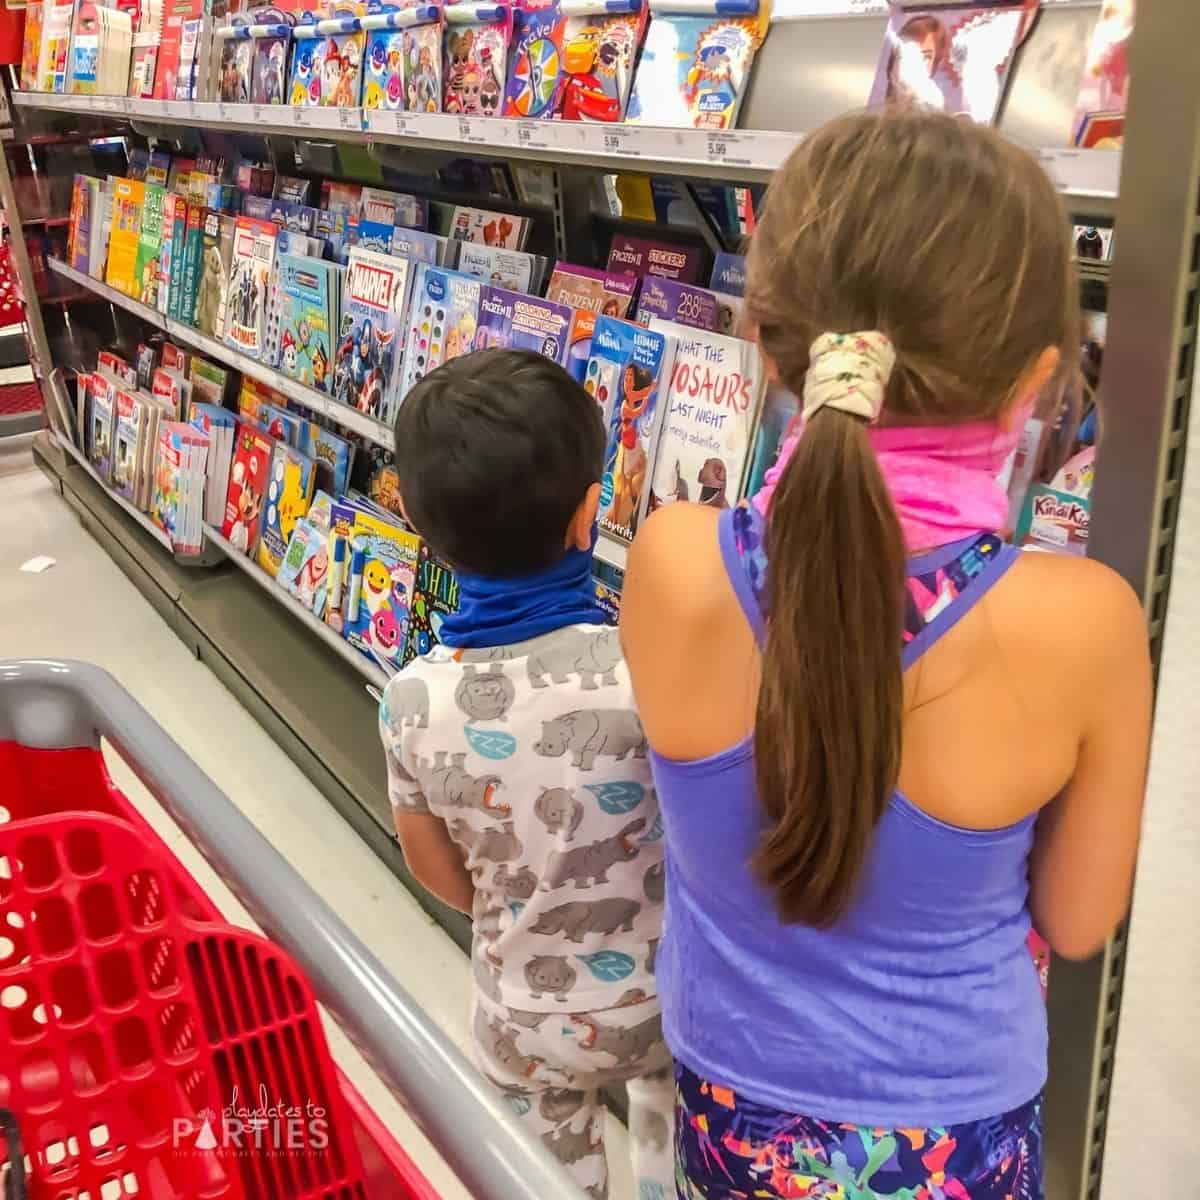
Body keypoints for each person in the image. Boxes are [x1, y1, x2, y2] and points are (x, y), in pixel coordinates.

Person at [620, 111, 1150, 1200]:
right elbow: (1079, 919)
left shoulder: (672, 561)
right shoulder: (1084, 623)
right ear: (1038, 381)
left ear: (773, 349)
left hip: (727, 1111)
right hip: (956, 1132)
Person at [378, 348, 672, 1200]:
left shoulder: (413, 701)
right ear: (590, 515)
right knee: (673, 1131)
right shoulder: (648, 666)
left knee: (543, 1182)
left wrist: (521, 895)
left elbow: (434, 869)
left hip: (524, 1013)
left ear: (420, 526)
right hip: (668, 1003)